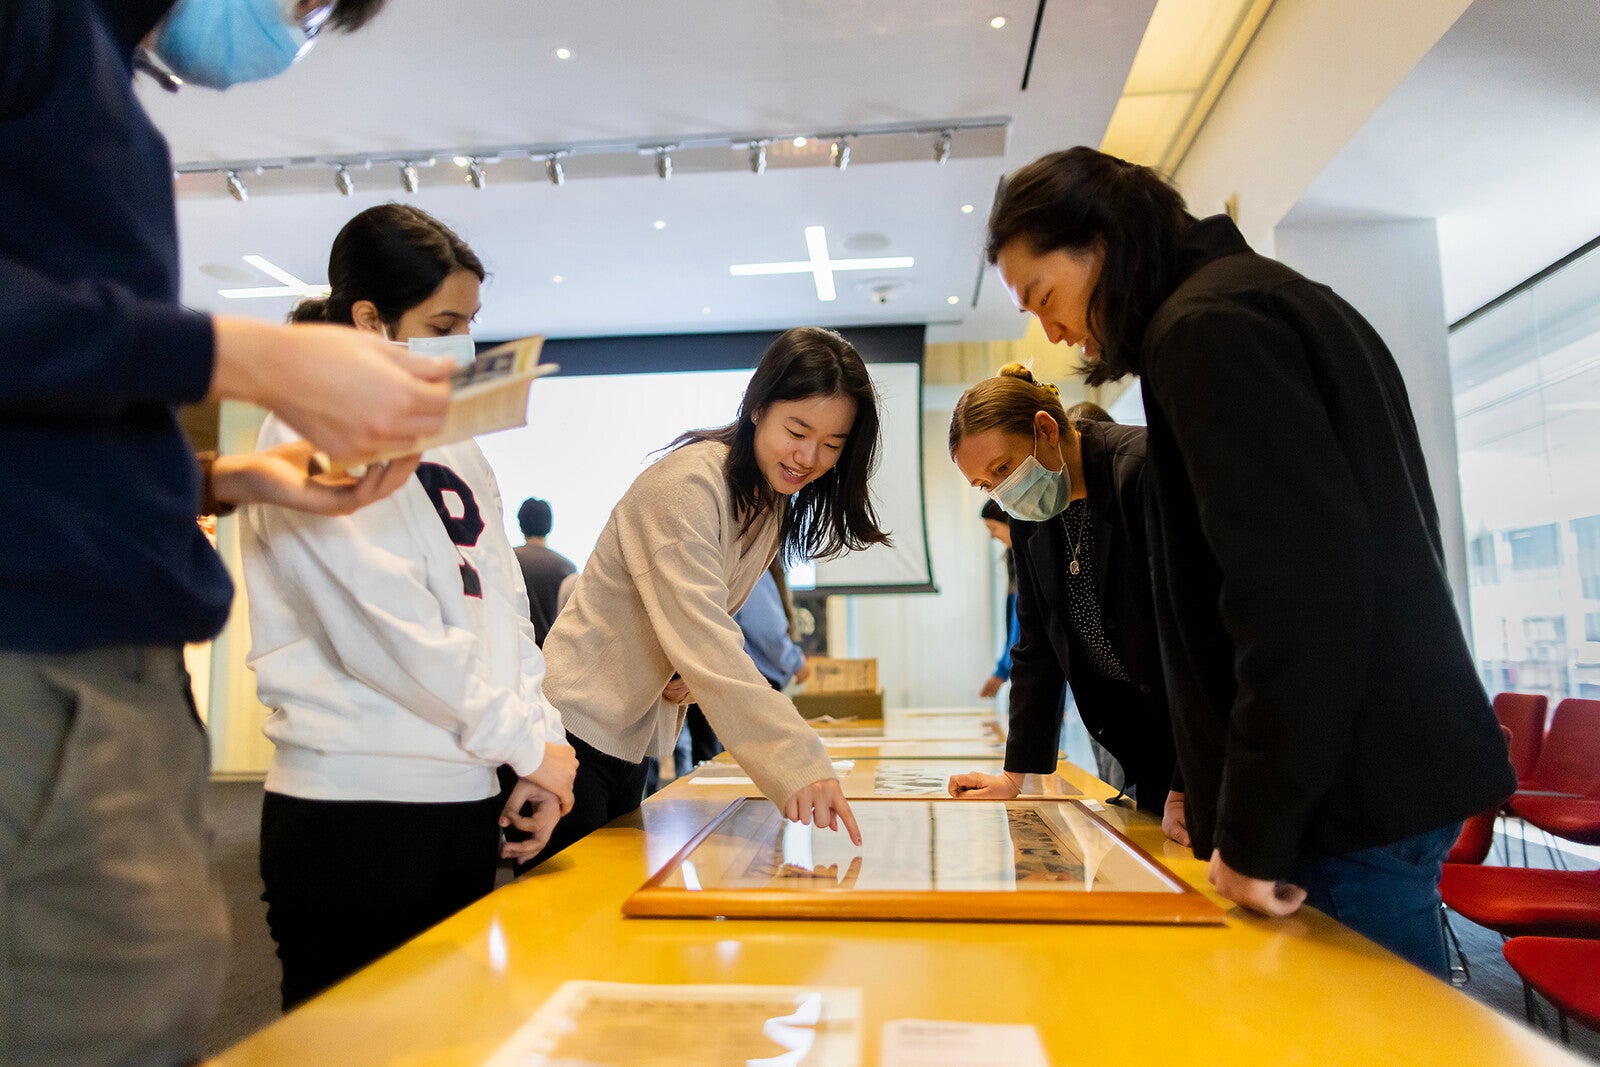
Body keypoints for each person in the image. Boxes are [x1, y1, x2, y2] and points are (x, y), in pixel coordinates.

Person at [0, 3, 452, 1063]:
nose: (289, 33)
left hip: (99, 660)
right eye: (300, 5)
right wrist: (235, 357)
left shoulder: (91, 69)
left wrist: (216, 476)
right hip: (39, 654)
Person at [982, 145, 1516, 974]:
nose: (1050, 329)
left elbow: (1293, 600)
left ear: (1102, 240)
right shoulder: (1257, 298)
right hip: (1366, 764)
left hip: (1342, 788)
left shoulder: (1207, 329)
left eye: (1044, 296)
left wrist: (1256, 824)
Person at [240, 204, 576, 1010]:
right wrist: (524, 745)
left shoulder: (455, 434)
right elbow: (384, 630)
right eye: (443, 322)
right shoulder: (305, 420)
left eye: (471, 322)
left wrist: (541, 743)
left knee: (454, 1036)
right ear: (370, 319)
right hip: (353, 804)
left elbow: (503, 614)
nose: (462, 340)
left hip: (463, 796)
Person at [535, 326, 891, 862]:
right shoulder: (688, 485)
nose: (809, 456)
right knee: (569, 918)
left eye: (831, 445)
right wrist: (801, 762)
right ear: (757, 407)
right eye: (797, 430)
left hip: (627, 735)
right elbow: (707, 637)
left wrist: (681, 673)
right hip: (574, 729)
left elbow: (694, 632)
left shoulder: (769, 502)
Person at [945, 366, 1179, 826]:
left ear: (1046, 430)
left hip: (1204, 744)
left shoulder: (1141, 469)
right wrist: (1015, 775)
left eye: (1003, 468)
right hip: (1146, 745)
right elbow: (1036, 648)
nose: (1002, 491)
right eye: (986, 485)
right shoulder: (1032, 515)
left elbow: (1194, 642)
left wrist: (1189, 780)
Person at [514, 497, 577, 646]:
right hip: (553, 654)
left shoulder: (509, 559)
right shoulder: (567, 567)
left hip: (519, 651)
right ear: (549, 525)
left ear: (521, 524)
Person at [976, 498, 1022, 700]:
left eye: (993, 528)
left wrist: (1002, 670)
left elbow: (1022, 623)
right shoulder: (1012, 559)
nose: (993, 536)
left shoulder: (1028, 561)